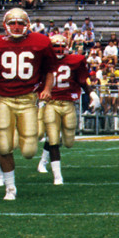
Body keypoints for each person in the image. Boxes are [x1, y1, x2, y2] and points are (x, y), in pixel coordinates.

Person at [0, 8, 56, 200]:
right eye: (12, 23)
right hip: (3, 100)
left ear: (27, 25)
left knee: (29, 151)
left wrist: (47, 89)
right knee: (3, 147)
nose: (16, 26)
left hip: (28, 99)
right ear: (5, 25)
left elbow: (49, 70)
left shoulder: (40, 42)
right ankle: (10, 188)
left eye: (20, 23)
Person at [37, 34, 90, 185]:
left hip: (68, 104)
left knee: (67, 142)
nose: (59, 50)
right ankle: (57, 175)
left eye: (61, 46)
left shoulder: (75, 60)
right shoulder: (43, 61)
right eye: (55, 47)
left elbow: (81, 80)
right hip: (51, 103)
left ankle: (43, 161)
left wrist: (92, 93)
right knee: (53, 138)